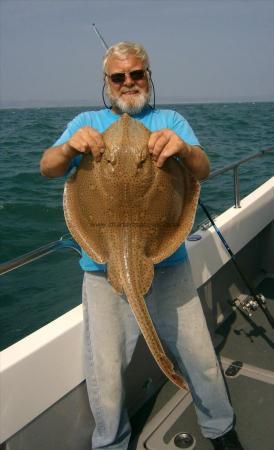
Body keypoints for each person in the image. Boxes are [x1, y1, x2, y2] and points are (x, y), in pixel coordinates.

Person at [40, 42, 244, 450]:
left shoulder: (170, 119)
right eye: (119, 77)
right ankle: (111, 443)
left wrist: (183, 149)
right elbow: (48, 167)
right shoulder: (86, 122)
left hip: (168, 260)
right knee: (106, 372)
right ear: (107, 82)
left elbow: (201, 168)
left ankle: (220, 427)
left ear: (149, 75)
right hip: (103, 265)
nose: (129, 82)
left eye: (137, 73)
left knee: (199, 355)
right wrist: (69, 147)